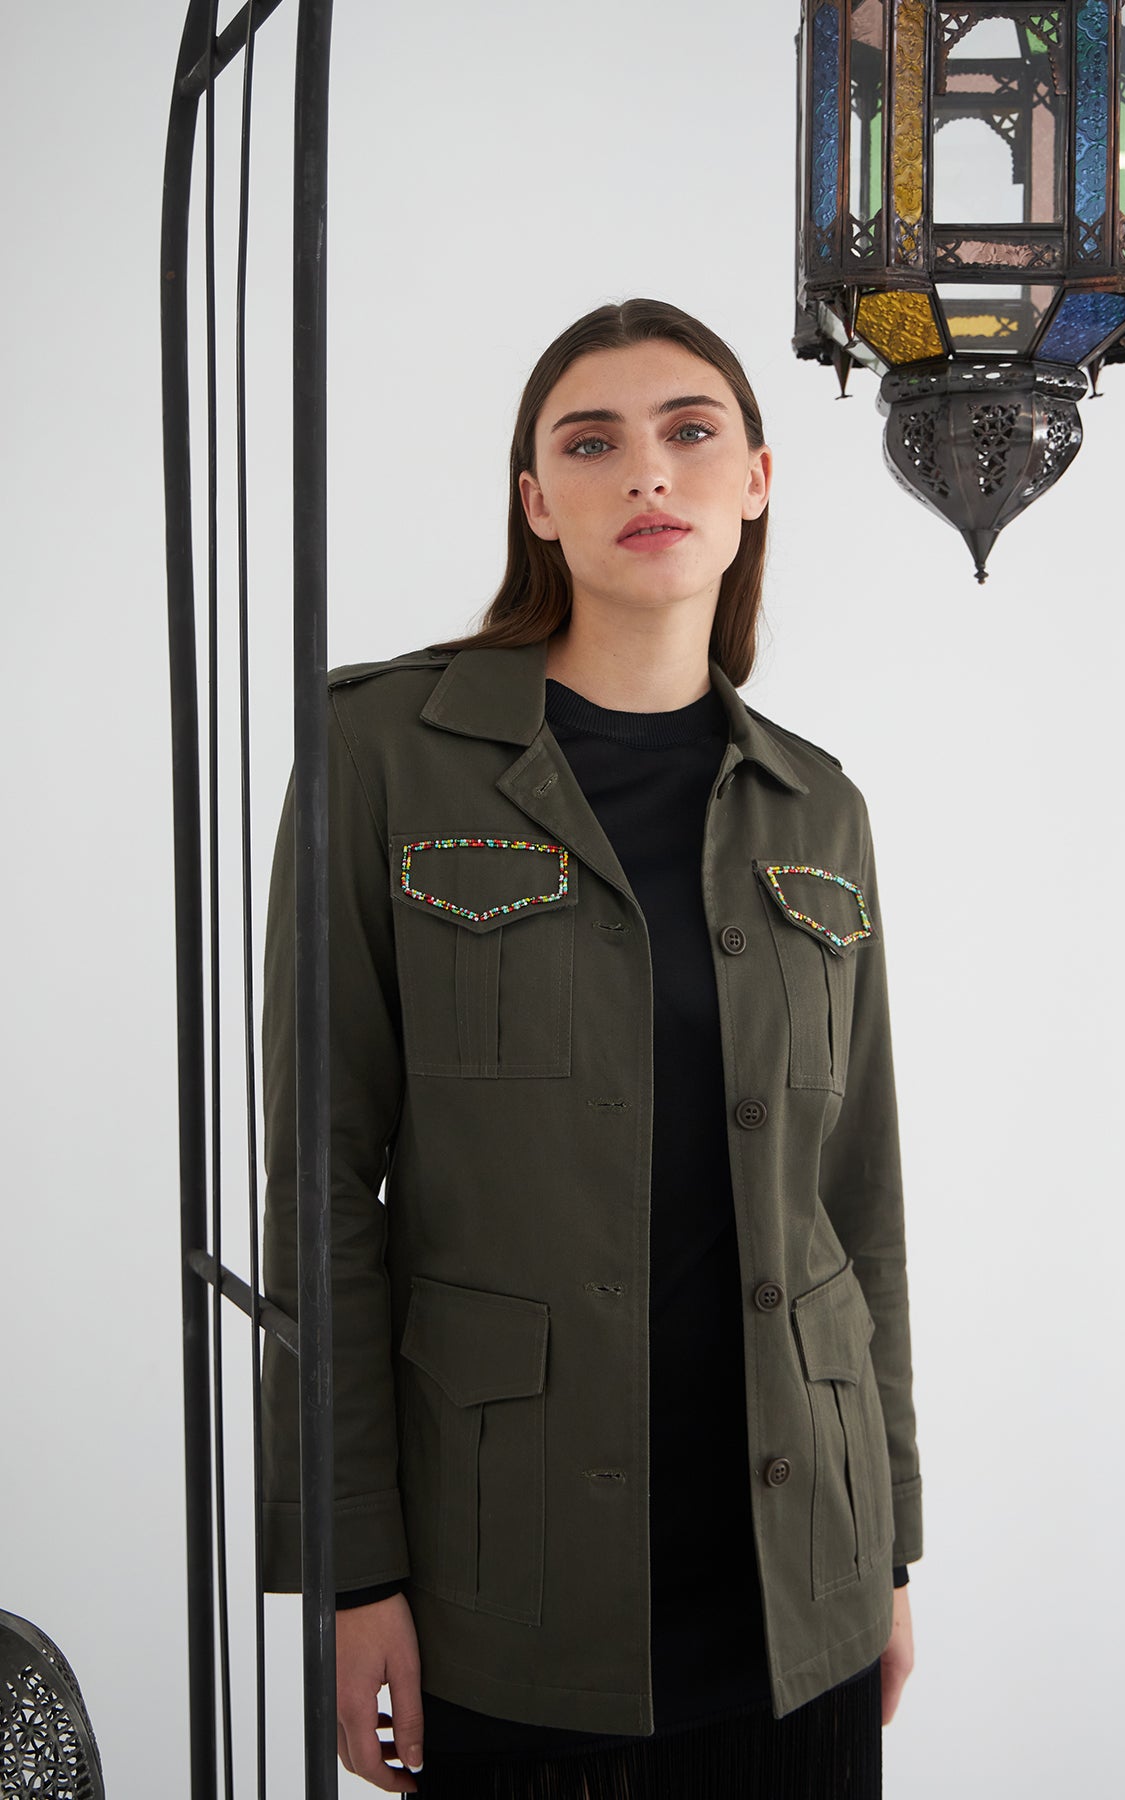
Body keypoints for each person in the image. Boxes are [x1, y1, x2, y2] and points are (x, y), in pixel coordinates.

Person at [259, 298, 922, 1797]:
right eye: (592, 443)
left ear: (755, 481)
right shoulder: (381, 752)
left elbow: (859, 1205)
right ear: (536, 502)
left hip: (800, 1585)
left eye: (690, 433)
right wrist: (352, 1570)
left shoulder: (818, 808)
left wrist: (886, 1545)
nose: (648, 473)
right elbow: (322, 1187)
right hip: (510, 1582)